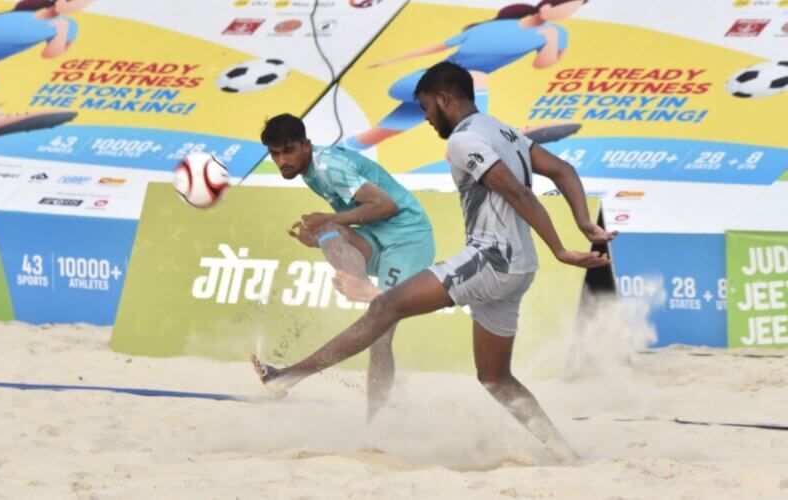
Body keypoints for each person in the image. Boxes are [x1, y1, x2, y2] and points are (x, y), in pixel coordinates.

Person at [251, 63, 616, 462]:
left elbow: (518, 194)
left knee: (384, 308)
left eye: (425, 107)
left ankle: (288, 376)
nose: (425, 117)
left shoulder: (462, 141)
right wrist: (583, 221)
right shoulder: (501, 129)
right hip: (518, 268)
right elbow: (562, 170)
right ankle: (566, 453)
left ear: (444, 99)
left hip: (490, 259)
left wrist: (562, 249)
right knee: (495, 377)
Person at [259, 113, 436, 420]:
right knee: (328, 231)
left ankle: (372, 419)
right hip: (378, 237)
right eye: (275, 154)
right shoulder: (309, 171)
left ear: (305, 145)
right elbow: (347, 222)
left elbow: (386, 206)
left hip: (407, 241)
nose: (281, 160)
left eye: (287, 151)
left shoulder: (328, 167)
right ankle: (361, 290)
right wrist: (319, 235)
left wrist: (328, 220)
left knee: (380, 335)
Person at [342, 0, 587, 152]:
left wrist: (551, 40)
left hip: (452, 95)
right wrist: (389, 61)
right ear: (547, 5)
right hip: (427, 82)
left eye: (574, 9)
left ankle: (342, 149)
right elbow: (439, 47)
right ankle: (481, 134)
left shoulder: (556, 34)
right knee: (474, 76)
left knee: (380, 133)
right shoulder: (491, 27)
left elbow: (543, 65)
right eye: (567, 6)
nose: (566, 13)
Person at [0, 0, 93, 139]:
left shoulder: (69, 25)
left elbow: (50, 54)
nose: (82, 5)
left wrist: (61, 32)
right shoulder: (21, 13)